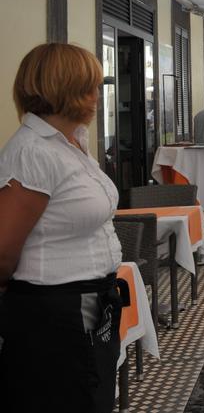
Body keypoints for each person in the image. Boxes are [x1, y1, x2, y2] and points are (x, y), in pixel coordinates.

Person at [0, 43, 123, 412]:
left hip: (84, 310)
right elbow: (3, 250)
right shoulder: (33, 151)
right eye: (91, 86)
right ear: (64, 89)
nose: (98, 96)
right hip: (56, 318)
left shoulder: (70, 143)